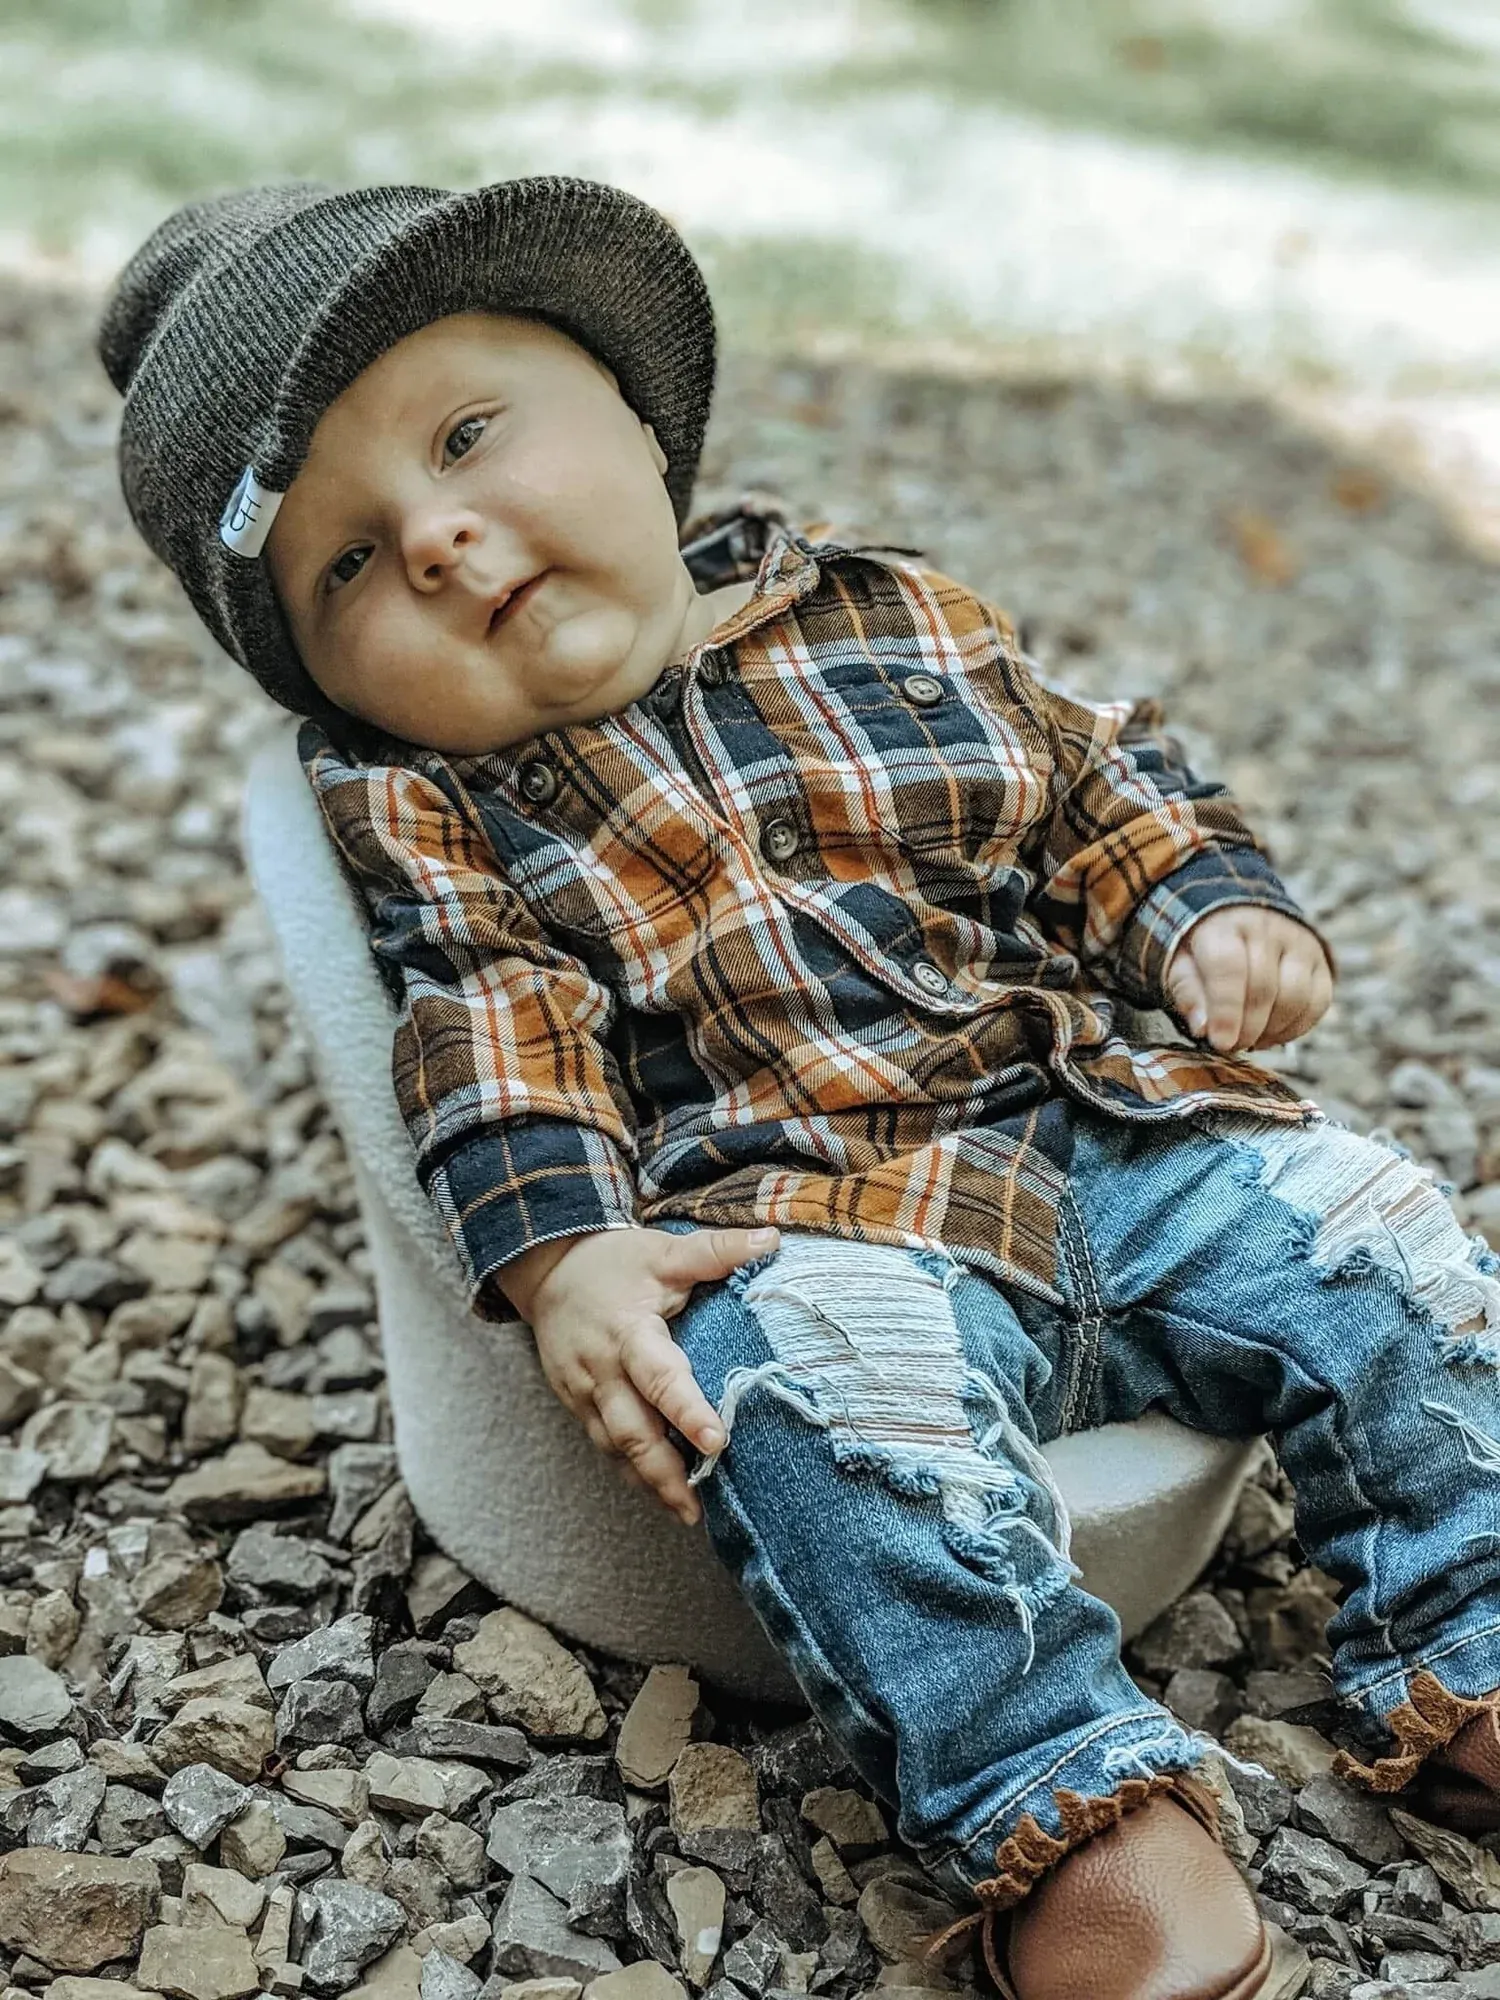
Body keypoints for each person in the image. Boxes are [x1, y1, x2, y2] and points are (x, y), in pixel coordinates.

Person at [100, 176, 1500, 2000]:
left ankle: (1468, 1630)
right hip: (807, 1220)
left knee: (1381, 1239)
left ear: (634, 407)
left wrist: (1209, 908)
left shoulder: (888, 611)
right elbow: (483, 1016)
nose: (436, 539)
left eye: (462, 437)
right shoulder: (431, 795)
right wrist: (567, 1252)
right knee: (820, 1417)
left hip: (1105, 1124)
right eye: (349, 562)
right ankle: (1065, 1800)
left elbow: (1093, 782)